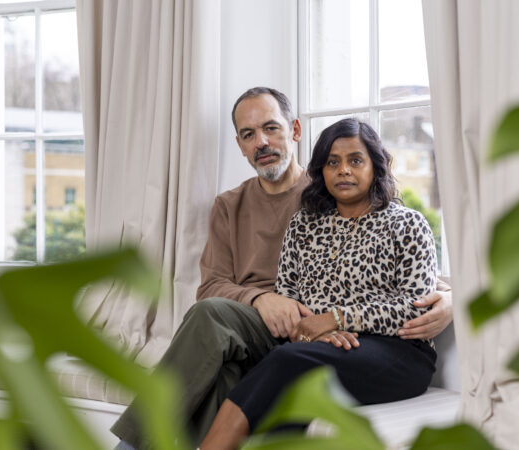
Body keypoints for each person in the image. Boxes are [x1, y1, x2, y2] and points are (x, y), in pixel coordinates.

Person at [111, 87, 452, 449]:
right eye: (248, 134)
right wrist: (263, 300)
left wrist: (451, 297)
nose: (261, 141)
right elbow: (211, 287)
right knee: (212, 318)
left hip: (324, 337)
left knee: (247, 372)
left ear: (295, 130)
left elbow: (416, 287)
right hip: (268, 328)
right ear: (240, 145)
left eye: (271, 128)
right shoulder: (256, 211)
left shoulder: (345, 201)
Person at [201, 118, 438, 449]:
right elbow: (287, 296)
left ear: (375, 166)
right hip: (317, 346)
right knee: (290, 382)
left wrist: (336, 319)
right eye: (332, 162)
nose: (343, 170)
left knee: (287, 363)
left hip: (398, 354)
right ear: (321, 170)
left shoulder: (407, 224)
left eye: (355, 160)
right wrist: (314, 330)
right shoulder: (303, 225)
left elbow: (414, 309)